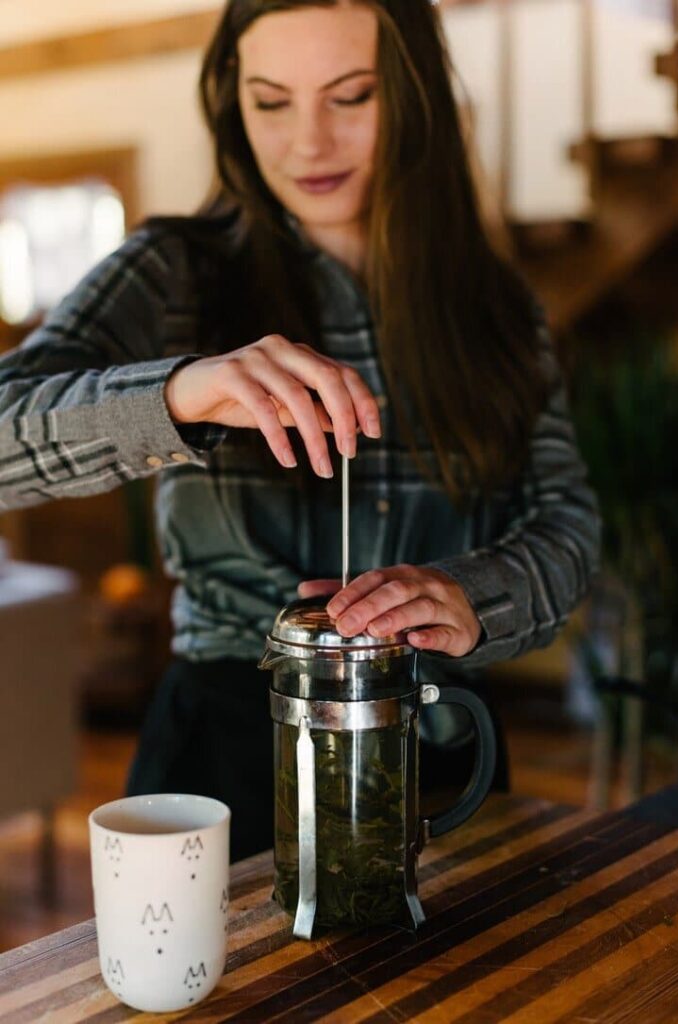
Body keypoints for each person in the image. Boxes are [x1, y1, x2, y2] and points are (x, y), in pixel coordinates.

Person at [0, 0, 599, 860]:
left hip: (441, 754)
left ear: (414, 98)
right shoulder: (174, 272)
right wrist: (179, 393)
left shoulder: (495, 306)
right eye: (271, 100)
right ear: (231, 104)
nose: (306, 142)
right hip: (225, 762)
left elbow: (567, 522)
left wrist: (480, 595)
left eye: (349, 96)